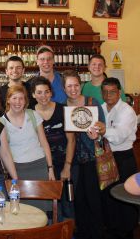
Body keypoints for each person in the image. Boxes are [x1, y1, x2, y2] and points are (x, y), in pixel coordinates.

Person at [62, 70, 105, 239]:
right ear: (64, 89)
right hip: (73, 162)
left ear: (81, 85)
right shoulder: (63, 107)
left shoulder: (92, 102)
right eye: (69, 86)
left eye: (76, 85)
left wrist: (99, 133)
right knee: (77, 202)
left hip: (92, 160)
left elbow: (103, 129)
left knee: (93, 201)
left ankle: (96, 234)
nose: (73, 89)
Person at [94, 78, 138, 239]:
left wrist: (104, 130)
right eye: (104, 92)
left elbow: (119, 136)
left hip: (123, 158)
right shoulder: (101, 108)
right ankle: (112, 231)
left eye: (112, 91)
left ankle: (126, 233)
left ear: (119, 92)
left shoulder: (127, 111)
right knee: (108, 197)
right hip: (106, 157)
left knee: (124, 198)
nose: (108, 95)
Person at [0, 85, 55, 213]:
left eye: (21, 98)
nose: (18, 102)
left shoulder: (33, 115)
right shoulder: (1, 122)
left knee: (42, 211)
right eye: (14, 98)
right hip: (17, 170)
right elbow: (4, 152)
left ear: (26, 101)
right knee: (21, 211)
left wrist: (50, 169)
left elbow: (44, 143)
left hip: (39, 168)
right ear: (8, 100)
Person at [31, 76, 76, 220]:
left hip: (63, 163)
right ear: (33, 94)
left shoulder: (63, 110)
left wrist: (67, 167)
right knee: (45, 207)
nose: (43, 96)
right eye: (39, 92)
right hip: (40, 166)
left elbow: (71, 140)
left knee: (66, 206)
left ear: (51, 93)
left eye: (46, 92)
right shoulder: (29, 112)